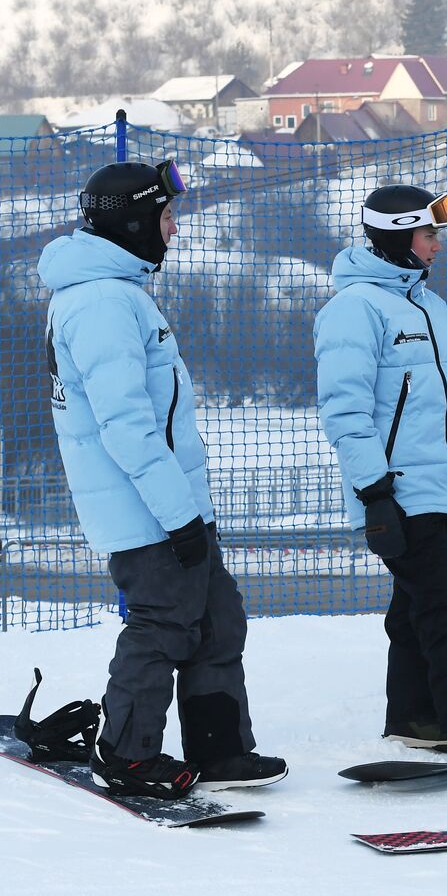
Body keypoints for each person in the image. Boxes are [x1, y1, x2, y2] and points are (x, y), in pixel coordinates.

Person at [39, 160, 286, 798]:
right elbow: (126, 427)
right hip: (143, 510)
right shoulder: (100, 302)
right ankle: (126, 754)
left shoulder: (120, 292)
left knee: (218, 619)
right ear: (131, 223)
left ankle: (220, 748)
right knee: (164, 625)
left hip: (171, 502)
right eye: (165, 217)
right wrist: (178, 517)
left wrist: (188, 511)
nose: (173, 231)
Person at [314, 184, 447, 759]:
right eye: (430, 234)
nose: (437, 245)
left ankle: (415, 716)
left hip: (439, 491)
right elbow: (345, 412)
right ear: (399, 236)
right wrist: (374, 492)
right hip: (396, 495)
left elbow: (436, 412)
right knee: (445, 609)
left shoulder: (427, 306)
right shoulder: (353, 310)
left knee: (414, 608)